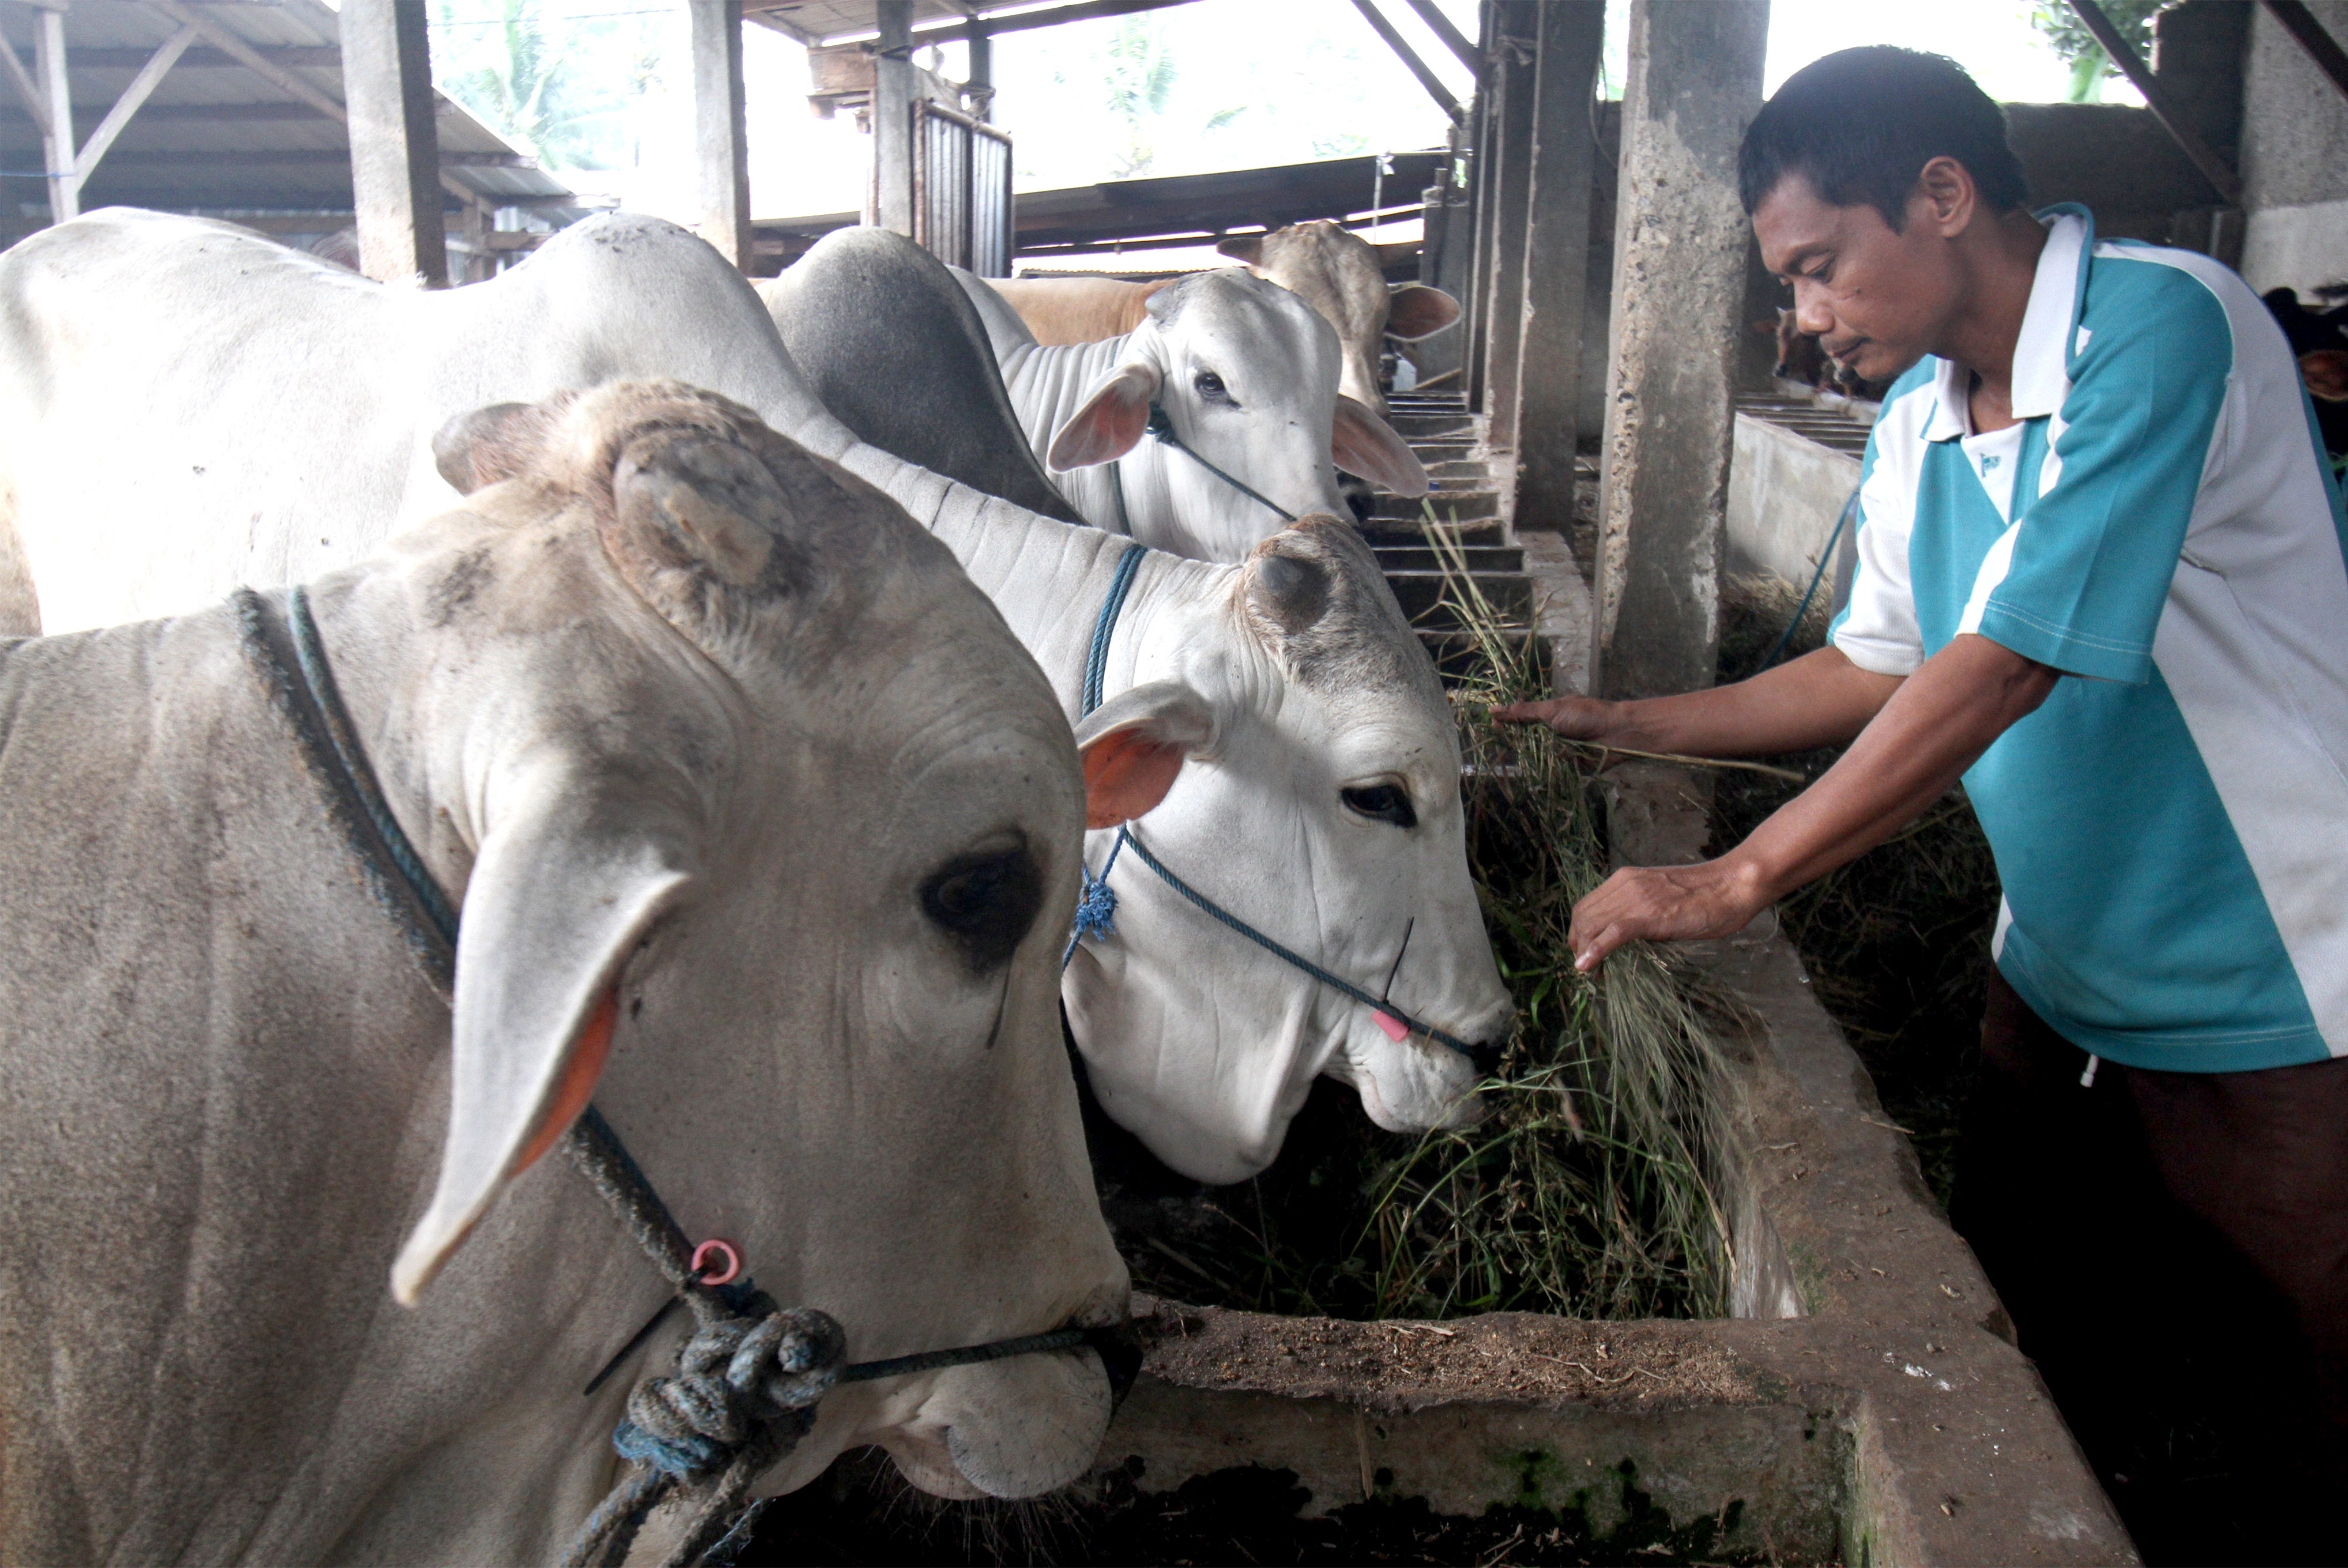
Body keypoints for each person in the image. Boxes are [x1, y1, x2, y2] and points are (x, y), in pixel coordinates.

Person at [1499, 43, 2348, 1510]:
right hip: (2057, 966)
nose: (1805, 318)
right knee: (2031, 1344)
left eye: (1818, 268)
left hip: (2271, 978)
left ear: (1941, 194)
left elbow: (2010, 657)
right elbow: (1871, 666)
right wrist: (1625, 720)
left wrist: (1741, 873)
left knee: (2302, 1371)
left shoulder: (2158, 326)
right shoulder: (1917, 419)